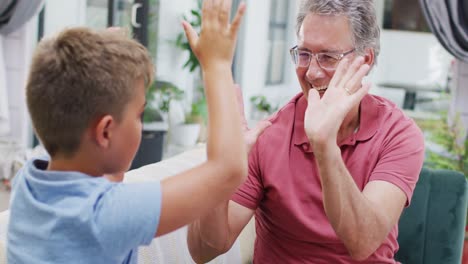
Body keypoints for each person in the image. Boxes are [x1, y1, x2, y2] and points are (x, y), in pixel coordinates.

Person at [7, 1, 248, 263]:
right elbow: (228, 170)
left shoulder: (27, 184)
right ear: (105, 132)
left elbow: (110, 175)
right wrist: (217, 65)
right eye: (138, 115)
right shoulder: (107, 214)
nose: (141, 124)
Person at [187, 0, 426, 263]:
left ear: (365, 60)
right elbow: (204, 250)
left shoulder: (398, 133)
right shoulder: (269, 135)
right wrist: (219, 167)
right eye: (304, 54)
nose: (311, 72)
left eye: (327, 57)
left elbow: (362, 242)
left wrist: (324, 144)